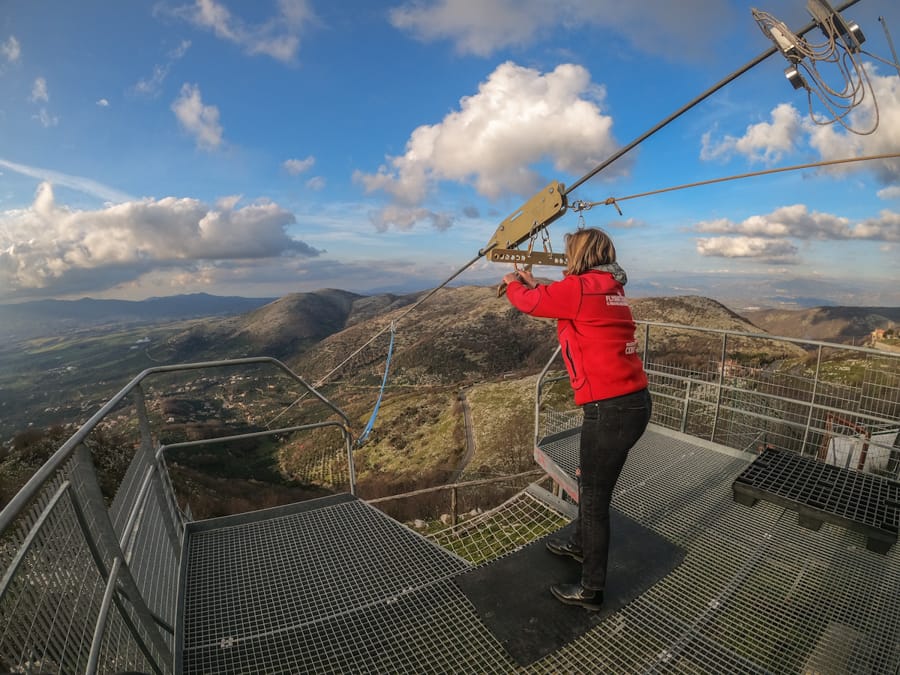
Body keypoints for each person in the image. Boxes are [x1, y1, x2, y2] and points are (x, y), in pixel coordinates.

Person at [502, 227, 651, 611]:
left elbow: (534, 304)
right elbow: (561, 298)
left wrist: (513, 284)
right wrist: (535, 283)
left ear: (580, 253)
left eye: (569, 252)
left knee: (596, 500)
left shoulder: (583, 289)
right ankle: (580, 545)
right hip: (633, 402)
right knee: (591, 484)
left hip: (610, 408)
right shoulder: (609, 288)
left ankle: (590, 589)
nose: (566, 257)